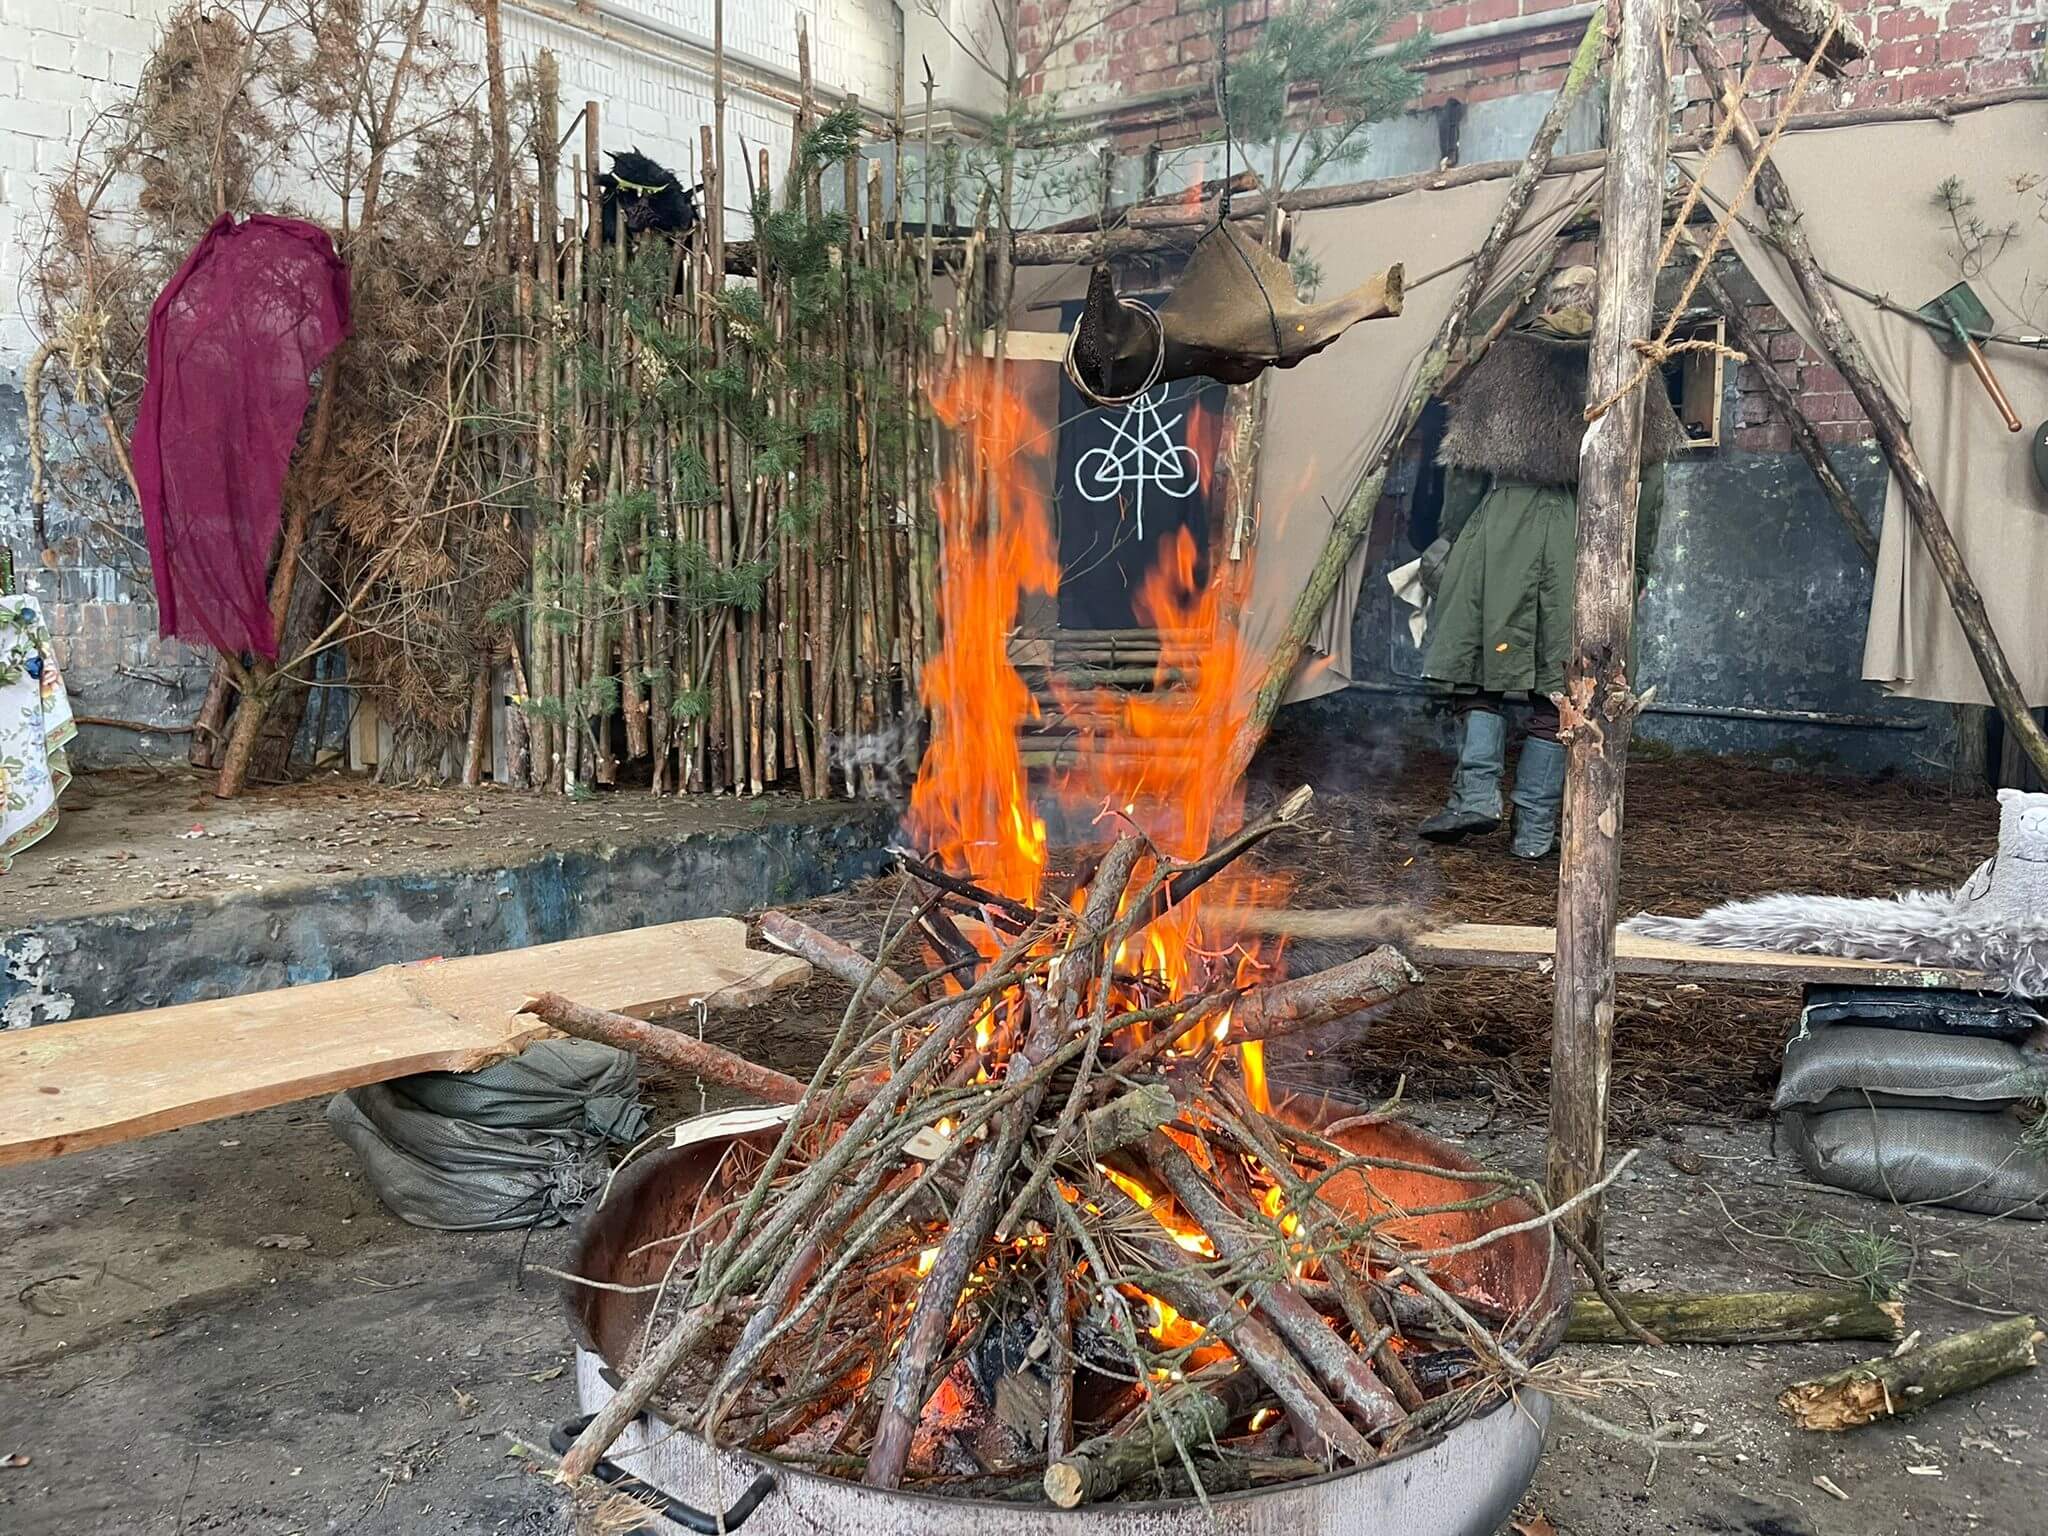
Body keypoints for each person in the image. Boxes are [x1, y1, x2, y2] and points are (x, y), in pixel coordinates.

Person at [1415, 266, 1687, 858]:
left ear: (1549, 300)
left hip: (1501, 524)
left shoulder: (1505, 357)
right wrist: (1636, 566)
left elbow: (1462, 468)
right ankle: (1534, 832)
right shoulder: (1629, 367)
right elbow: (1651, 483)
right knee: (1561, 683)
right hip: (1585, 535)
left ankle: (1476, 796)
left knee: (1475, 666)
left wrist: (1450, 543)